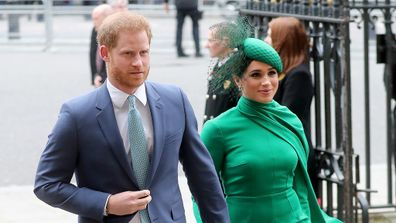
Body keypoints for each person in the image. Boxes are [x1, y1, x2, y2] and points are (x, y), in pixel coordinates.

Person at [34, 11, 230, 223]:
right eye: (128, 54)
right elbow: (47, 184)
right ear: (104, 53)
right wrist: (106, 204)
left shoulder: (175, 101)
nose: (138, 62)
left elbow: (203, 176)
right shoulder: (77, 114)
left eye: (144, 52)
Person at [194, 37, 342, 222]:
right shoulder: (218, 129)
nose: (267, 82)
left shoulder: (289, 120)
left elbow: (302, 185)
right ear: (238, 79)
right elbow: (201, 192)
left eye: (271, 73)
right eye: (256, 74)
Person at [264, 16, 318, 197]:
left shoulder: (299, 75)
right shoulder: (281, 71)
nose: (266, 40)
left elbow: (287, 116)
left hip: (294, 153)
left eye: (270, 36)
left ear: (283, 40)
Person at [203, 21, 242, 123]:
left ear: (225, 42)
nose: (206, 45)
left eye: (210, 41)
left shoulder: (236, 69)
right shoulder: (220, 64)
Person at [89, 4, 113, 87]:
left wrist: (103, 78)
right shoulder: (95, 29)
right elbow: (93, 54)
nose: (93, 22)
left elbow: (112, 59)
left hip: (110, 81)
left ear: (106, 18)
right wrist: (95, 75)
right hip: (98, 80)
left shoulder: (115, 33)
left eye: (96, 18)